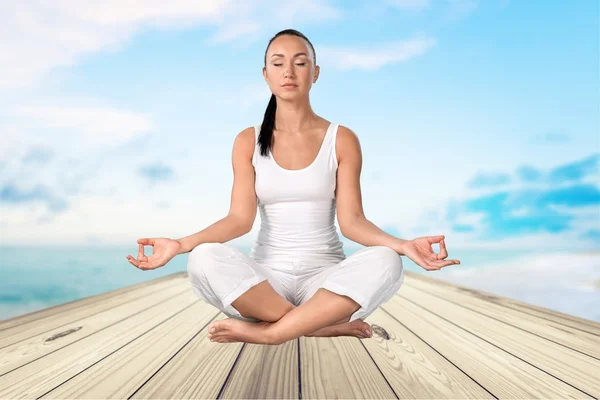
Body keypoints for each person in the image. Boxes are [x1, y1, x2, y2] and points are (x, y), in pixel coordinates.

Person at [126, 29, 460, 346]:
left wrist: (403, 245)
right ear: (265, 74)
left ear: (315, 73)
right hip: (265, 285)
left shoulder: (341, 139)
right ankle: (319, 325)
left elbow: (353, 223)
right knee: (203, 258)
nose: (289, 71)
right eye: (278, 63)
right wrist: (180, 244)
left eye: (301, 63)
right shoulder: (247, 140)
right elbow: (239, 220)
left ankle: (273, 333)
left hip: (327, 283)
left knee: (387, 261)